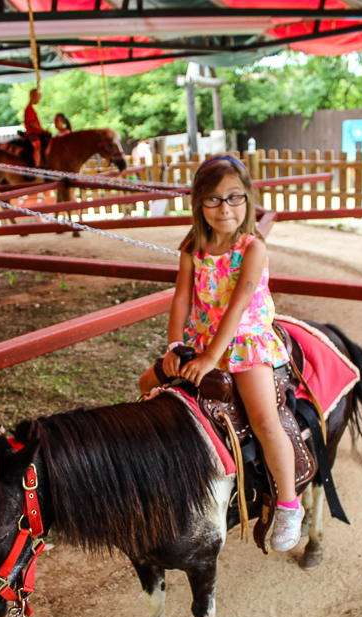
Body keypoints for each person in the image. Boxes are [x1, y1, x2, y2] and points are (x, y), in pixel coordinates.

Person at [139, 154, 303, 552]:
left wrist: (210, 359)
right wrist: (176, 344)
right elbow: (181, 297)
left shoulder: (252, 248)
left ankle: (288, 502)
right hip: (200, 338)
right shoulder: (193, 246)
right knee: (146, 383)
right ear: (199, 204)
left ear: (247, 199)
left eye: (233, 197)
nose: (224, 208)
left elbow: (239, 305)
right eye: (213, 199)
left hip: (244, 341)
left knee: (264, 418)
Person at [24, 88, 51, 168]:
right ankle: (37, 164)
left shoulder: (31, 109)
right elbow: (32, 124)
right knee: (37, 144)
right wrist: (43, 130)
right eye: (38, 98)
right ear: (33, 97)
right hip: (31, 132)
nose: (38, 100)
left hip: (36, 132)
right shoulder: (29, 109)